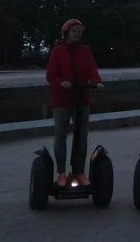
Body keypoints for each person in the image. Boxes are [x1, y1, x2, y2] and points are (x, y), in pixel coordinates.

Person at [46, 18, 104, 187]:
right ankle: (61, 172)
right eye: (74, 31)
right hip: (62, 99)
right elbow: (50, 75)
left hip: (81, 98)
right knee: (61, 134)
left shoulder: (85, 51)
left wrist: (96, 81)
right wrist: (61, 83)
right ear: (67, 33)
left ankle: (79, 171)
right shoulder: (57, 51)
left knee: (81, 136)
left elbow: (91, 68)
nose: (77, 34)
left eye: (79, 32)